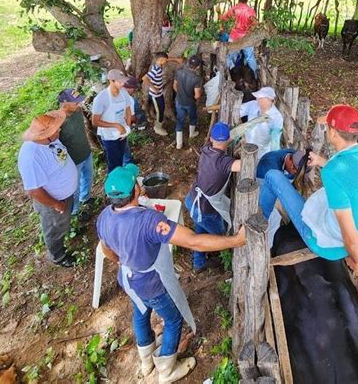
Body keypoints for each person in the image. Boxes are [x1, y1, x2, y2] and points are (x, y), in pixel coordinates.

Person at [96, 163, 246, 382]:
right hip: (150, 283)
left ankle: (147, 360)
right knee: (173, 319)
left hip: (127, 279)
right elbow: (194, 241)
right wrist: (235, 240)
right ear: (136, 190)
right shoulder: (149, 221)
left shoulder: (104, 217)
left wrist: (120, 260)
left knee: (140, 311)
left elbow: (105, 248)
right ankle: (166, 370)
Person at [259, 104, 358, 274]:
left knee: (272, 176)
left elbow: (349, 235)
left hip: (330, 244)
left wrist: (357, 260)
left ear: (332, 132)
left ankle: (257, 224)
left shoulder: (333, 173)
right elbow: (349, 176)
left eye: (327, 127)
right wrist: (321, 161)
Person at [17, 111, 78, 267]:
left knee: (62, 222)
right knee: (54, 228)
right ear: (44, 135)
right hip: (55, 202)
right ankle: (58, 255)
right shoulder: (30, 157)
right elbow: (33, 190)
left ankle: (66, 230)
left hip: (66, 194)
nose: (59, 131)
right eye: (55, 130)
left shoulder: (50, 140)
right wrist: (56, 204)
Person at [185, 122, 242, 272]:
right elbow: (244, 164)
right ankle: (229, 265)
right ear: (228, 139)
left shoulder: (206, 150)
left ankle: (198, 263)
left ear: (211, 138)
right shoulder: (224, 162)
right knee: (224, 238)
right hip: (205, 210)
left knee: (200, 231)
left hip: (192, 200)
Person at [58, 89, 94, 220]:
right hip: (73, 161)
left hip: (86, 152)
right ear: (64, 103)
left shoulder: (77, 111)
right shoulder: (58, 122)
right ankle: (75, 212)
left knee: (88, 178)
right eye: (75, 103)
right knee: (74, 187)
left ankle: (86, 198)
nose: (79, 105)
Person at [92, 69, 133, 172]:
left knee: (121, 157)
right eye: (120, 82)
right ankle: (114, 185)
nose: (123, 84)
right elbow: (95, 121)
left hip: (122, 132)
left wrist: (127, 128)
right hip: (109, 136)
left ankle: (123, 181)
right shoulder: (101, 98)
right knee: (114, 163)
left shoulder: (123, 92)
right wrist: (116, 125)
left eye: (123, 81)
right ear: (111, 81)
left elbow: (128, 111)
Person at [218, 0, 259, 79]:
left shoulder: (234, 9)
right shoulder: (251, 11)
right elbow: (255, 24)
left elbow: (223, 18)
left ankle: (232, 74)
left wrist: (218, 13)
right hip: (246, 38)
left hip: (234, 37)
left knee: (229, 56)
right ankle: (255, 78)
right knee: (250, 58)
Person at [239, 87, 284, 160]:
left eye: (261, 99)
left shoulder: (276, 117)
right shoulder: (253, 104)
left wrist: (274, 157)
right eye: (258, 98)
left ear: (270, 101)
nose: (258, 100)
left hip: (262, 152)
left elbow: (275, 140)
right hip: (247, 147)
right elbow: (239, 111)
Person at [173, 54, 203, 149]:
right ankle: (192, 134)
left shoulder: (179, 72)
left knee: (179, 120)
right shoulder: (197, 79)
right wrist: (195, 98)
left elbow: (175, 86)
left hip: (179, 100)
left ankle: (179, 143)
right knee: (192, 117)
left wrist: (181, 93)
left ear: (188, 62)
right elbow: (197, 95)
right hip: (190, 103)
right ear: (198, 66)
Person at [142, 52, 169, 136]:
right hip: (155, 95)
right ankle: (158, 128)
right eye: (165, 60)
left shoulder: (157, 65)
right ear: (161, 60)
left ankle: (159, 122)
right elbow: (145, 78)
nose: (166, 61)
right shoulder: (155, 69)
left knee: (162, 108)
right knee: (159, 111)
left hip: (159, 94)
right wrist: (154, 88)